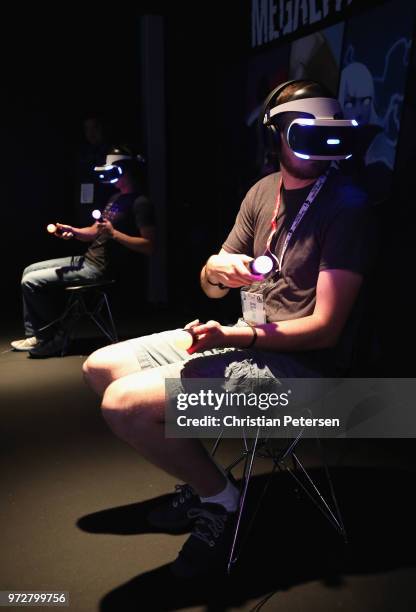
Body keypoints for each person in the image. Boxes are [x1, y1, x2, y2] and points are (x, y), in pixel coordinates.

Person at [82, 81, 375, 577]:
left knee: (123, 406)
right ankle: (206, 486)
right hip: (245, 332)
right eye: (305, 134)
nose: (319, 148)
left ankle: (221, 501)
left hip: (301, 369)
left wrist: (232, 338)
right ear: (276, 136)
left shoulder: (347, 206)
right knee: (100, 367)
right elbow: (211, 285)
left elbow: (325, 331)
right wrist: (217, 270)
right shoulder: (262, 191)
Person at [11, 146, 156, 358]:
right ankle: (37, 334)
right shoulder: (116, 198)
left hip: (100, 268)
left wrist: (115, 234)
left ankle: (51, 338)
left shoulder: (141, 203)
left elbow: (150, 246)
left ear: (125, 170)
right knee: (29, 270)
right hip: (87, 259)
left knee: (31, 281)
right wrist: (74, 232)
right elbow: (96, 230)